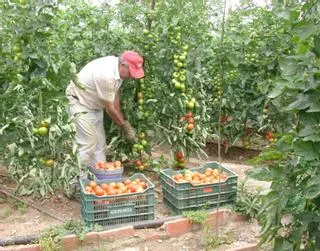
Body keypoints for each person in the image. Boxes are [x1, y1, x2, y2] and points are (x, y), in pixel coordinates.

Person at [66, 51, 144, 171]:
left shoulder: (117, 69)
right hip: (80, 103)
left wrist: (123, 123)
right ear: (123, 64)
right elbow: (110, 108)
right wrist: (124, 126)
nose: (132, 76)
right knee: (87, 145)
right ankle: (77, 180)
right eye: (131, 72)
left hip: (95, 104)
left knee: (100, 145)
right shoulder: (106, 75)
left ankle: (100, 177)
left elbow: (115, 96)